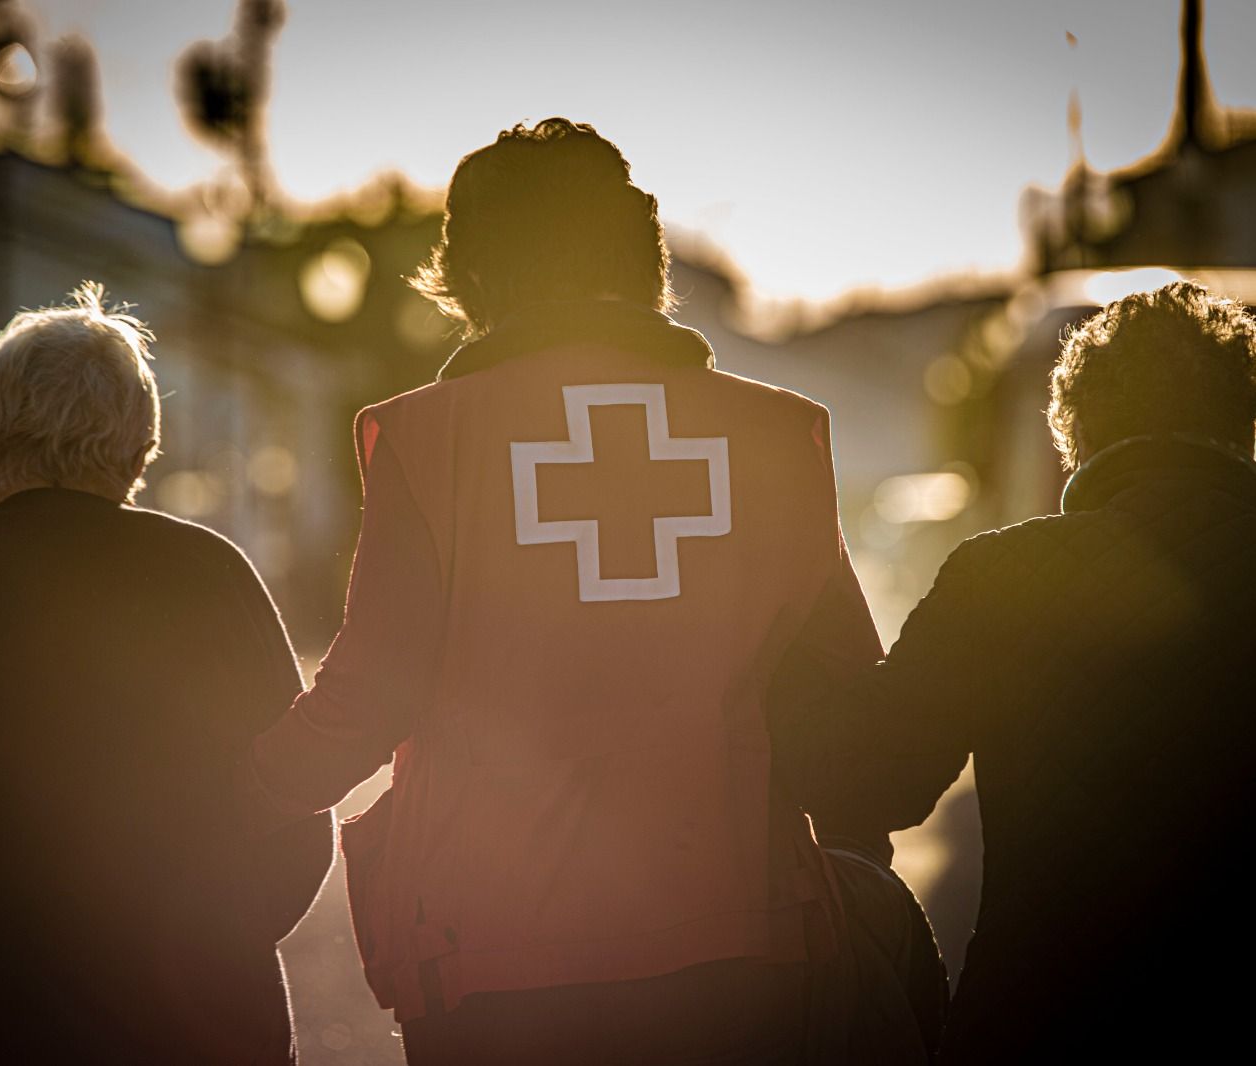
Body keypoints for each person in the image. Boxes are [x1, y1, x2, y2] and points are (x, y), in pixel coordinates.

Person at [243, 118, 940, 1065]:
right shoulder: (777, 435)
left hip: (493, 962)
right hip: (741, 949)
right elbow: (852, 704)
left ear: (473, 269)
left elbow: (368, 697)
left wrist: (230, 797)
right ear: (640, 249)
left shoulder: (430, 440)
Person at [772, 281, 1256, 1064]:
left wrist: (780, 650)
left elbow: (869, 781)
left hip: (1043, 1018)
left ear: (1075, 431)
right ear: (1249, 425)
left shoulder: (1003, 577)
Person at [0, 284, 333, 1064]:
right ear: (142, 449)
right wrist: (213, 947)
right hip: (193, 1032)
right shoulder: (211, 576)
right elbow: (297, 819)